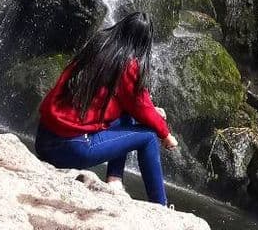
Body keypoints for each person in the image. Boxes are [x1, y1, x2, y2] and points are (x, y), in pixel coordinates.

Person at [35, 11, 178, 204]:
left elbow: (136, 105)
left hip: (43, 141)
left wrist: (151, 112)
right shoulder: (129, 64)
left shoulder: (98, 45)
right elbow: (141, 106)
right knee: (150, 137)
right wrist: (165, 134)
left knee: (130, 115)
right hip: (70, 149)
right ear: (143, 43)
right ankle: (160, 206)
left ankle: (114, 181)